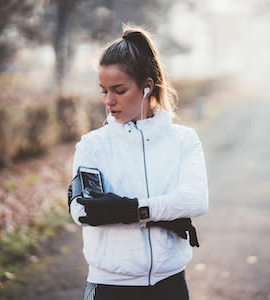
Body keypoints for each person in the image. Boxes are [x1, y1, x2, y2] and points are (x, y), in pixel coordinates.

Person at [69, 25, 209, 300]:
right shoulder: (93, 146)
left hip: (170, 284)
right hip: (109, 287)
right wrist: (163, 212)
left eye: (119, 90)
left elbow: (194, 201)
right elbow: (85, 211)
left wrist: (129, 209)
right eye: (103, 91)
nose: (108, 101)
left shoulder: (184, 140)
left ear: (147, 87)